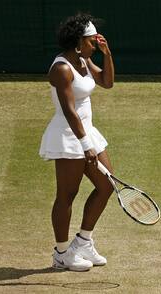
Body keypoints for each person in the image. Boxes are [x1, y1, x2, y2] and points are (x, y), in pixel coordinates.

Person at [39, 12, 114, 271]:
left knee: (106, 185)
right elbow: (69, 109)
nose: (95, 43)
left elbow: (107, 82)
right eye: (92, 41)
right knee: (66, 196)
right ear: (77, 42)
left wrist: (106, 53)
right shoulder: (61, 69)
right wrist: (84, 144)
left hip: (87, 132)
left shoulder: (83, 61)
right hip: (69, 136)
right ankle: (61, 253)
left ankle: (83, 242)